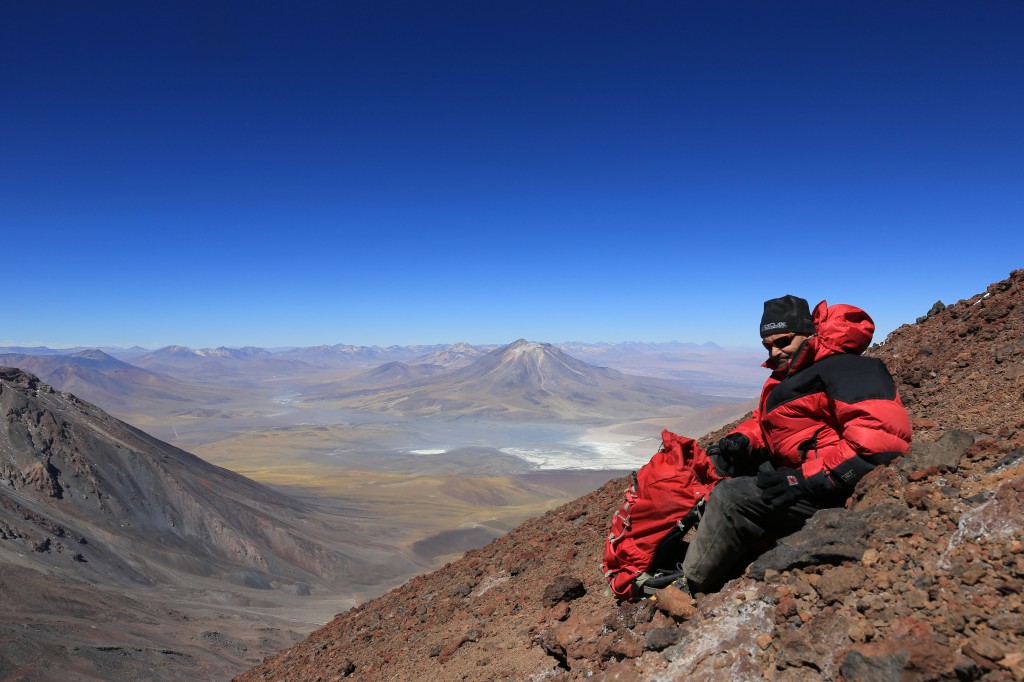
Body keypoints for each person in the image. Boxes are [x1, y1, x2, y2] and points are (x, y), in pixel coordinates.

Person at [679, 294, 912, 594]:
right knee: (714, 465)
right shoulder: (793, 373)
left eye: (783, 341)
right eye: (767, 345)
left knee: (730, 496)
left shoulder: (849, 370)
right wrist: (743, 439)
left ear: (809, 332)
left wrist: (803, 481)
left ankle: (690, 583)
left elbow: (881, 444)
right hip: (803, 472)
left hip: (834, 488)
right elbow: (774, 423)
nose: (774, 352)